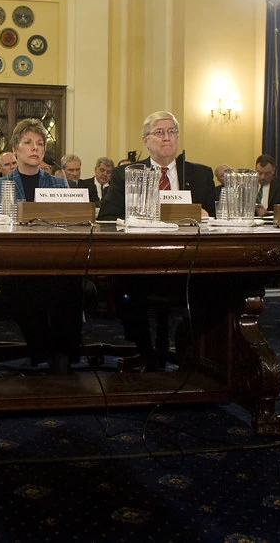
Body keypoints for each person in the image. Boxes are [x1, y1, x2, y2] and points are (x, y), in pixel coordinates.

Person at [98, 110, 217, 370]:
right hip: (141, 261)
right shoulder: (127, 174)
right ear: (145, 141)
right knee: (122, 285)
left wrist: (205, 216)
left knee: (217, 285)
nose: (167, 138)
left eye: (172, 132)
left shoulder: (200, 174)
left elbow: (216, 220)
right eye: (159, 132)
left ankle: (192, 347)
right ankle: (145, 352)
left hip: (188, 263)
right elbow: (107, 217)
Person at [0, 118, 83, 374]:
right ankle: (45, 349)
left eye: (40, 144)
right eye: (28, 143)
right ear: (15, 148)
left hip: (53, 256)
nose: (35, 148)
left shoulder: (58, 183)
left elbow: (69, 222)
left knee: (70, 282)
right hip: (14, 258)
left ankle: (64, 352)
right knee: (22, 284)